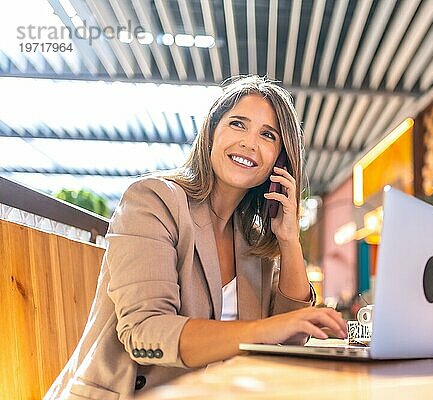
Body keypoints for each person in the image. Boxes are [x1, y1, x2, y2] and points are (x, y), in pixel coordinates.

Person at [45, 75, 347, 399]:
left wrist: (289, 240)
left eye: (268, 135)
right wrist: (263, 331)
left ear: (280, 161)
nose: (249, 142)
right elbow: (145, 334)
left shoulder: (251, 241)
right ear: (212, 133)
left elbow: (290, 337)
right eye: (237, 124)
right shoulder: (153, 200)